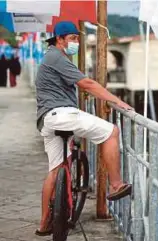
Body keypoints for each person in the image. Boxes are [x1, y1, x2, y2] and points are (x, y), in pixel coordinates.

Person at [34, 21, 133, 236]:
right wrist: (117, 101)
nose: (75, 43)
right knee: (111, 132)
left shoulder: (51, 57)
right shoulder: (57, 57)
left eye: (77, 38)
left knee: (55, 169)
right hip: (62, 114)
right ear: (59, 39)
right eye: (71, 38)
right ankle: (116, 185)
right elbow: (87, 84)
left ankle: (43, 224)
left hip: (47, 120)